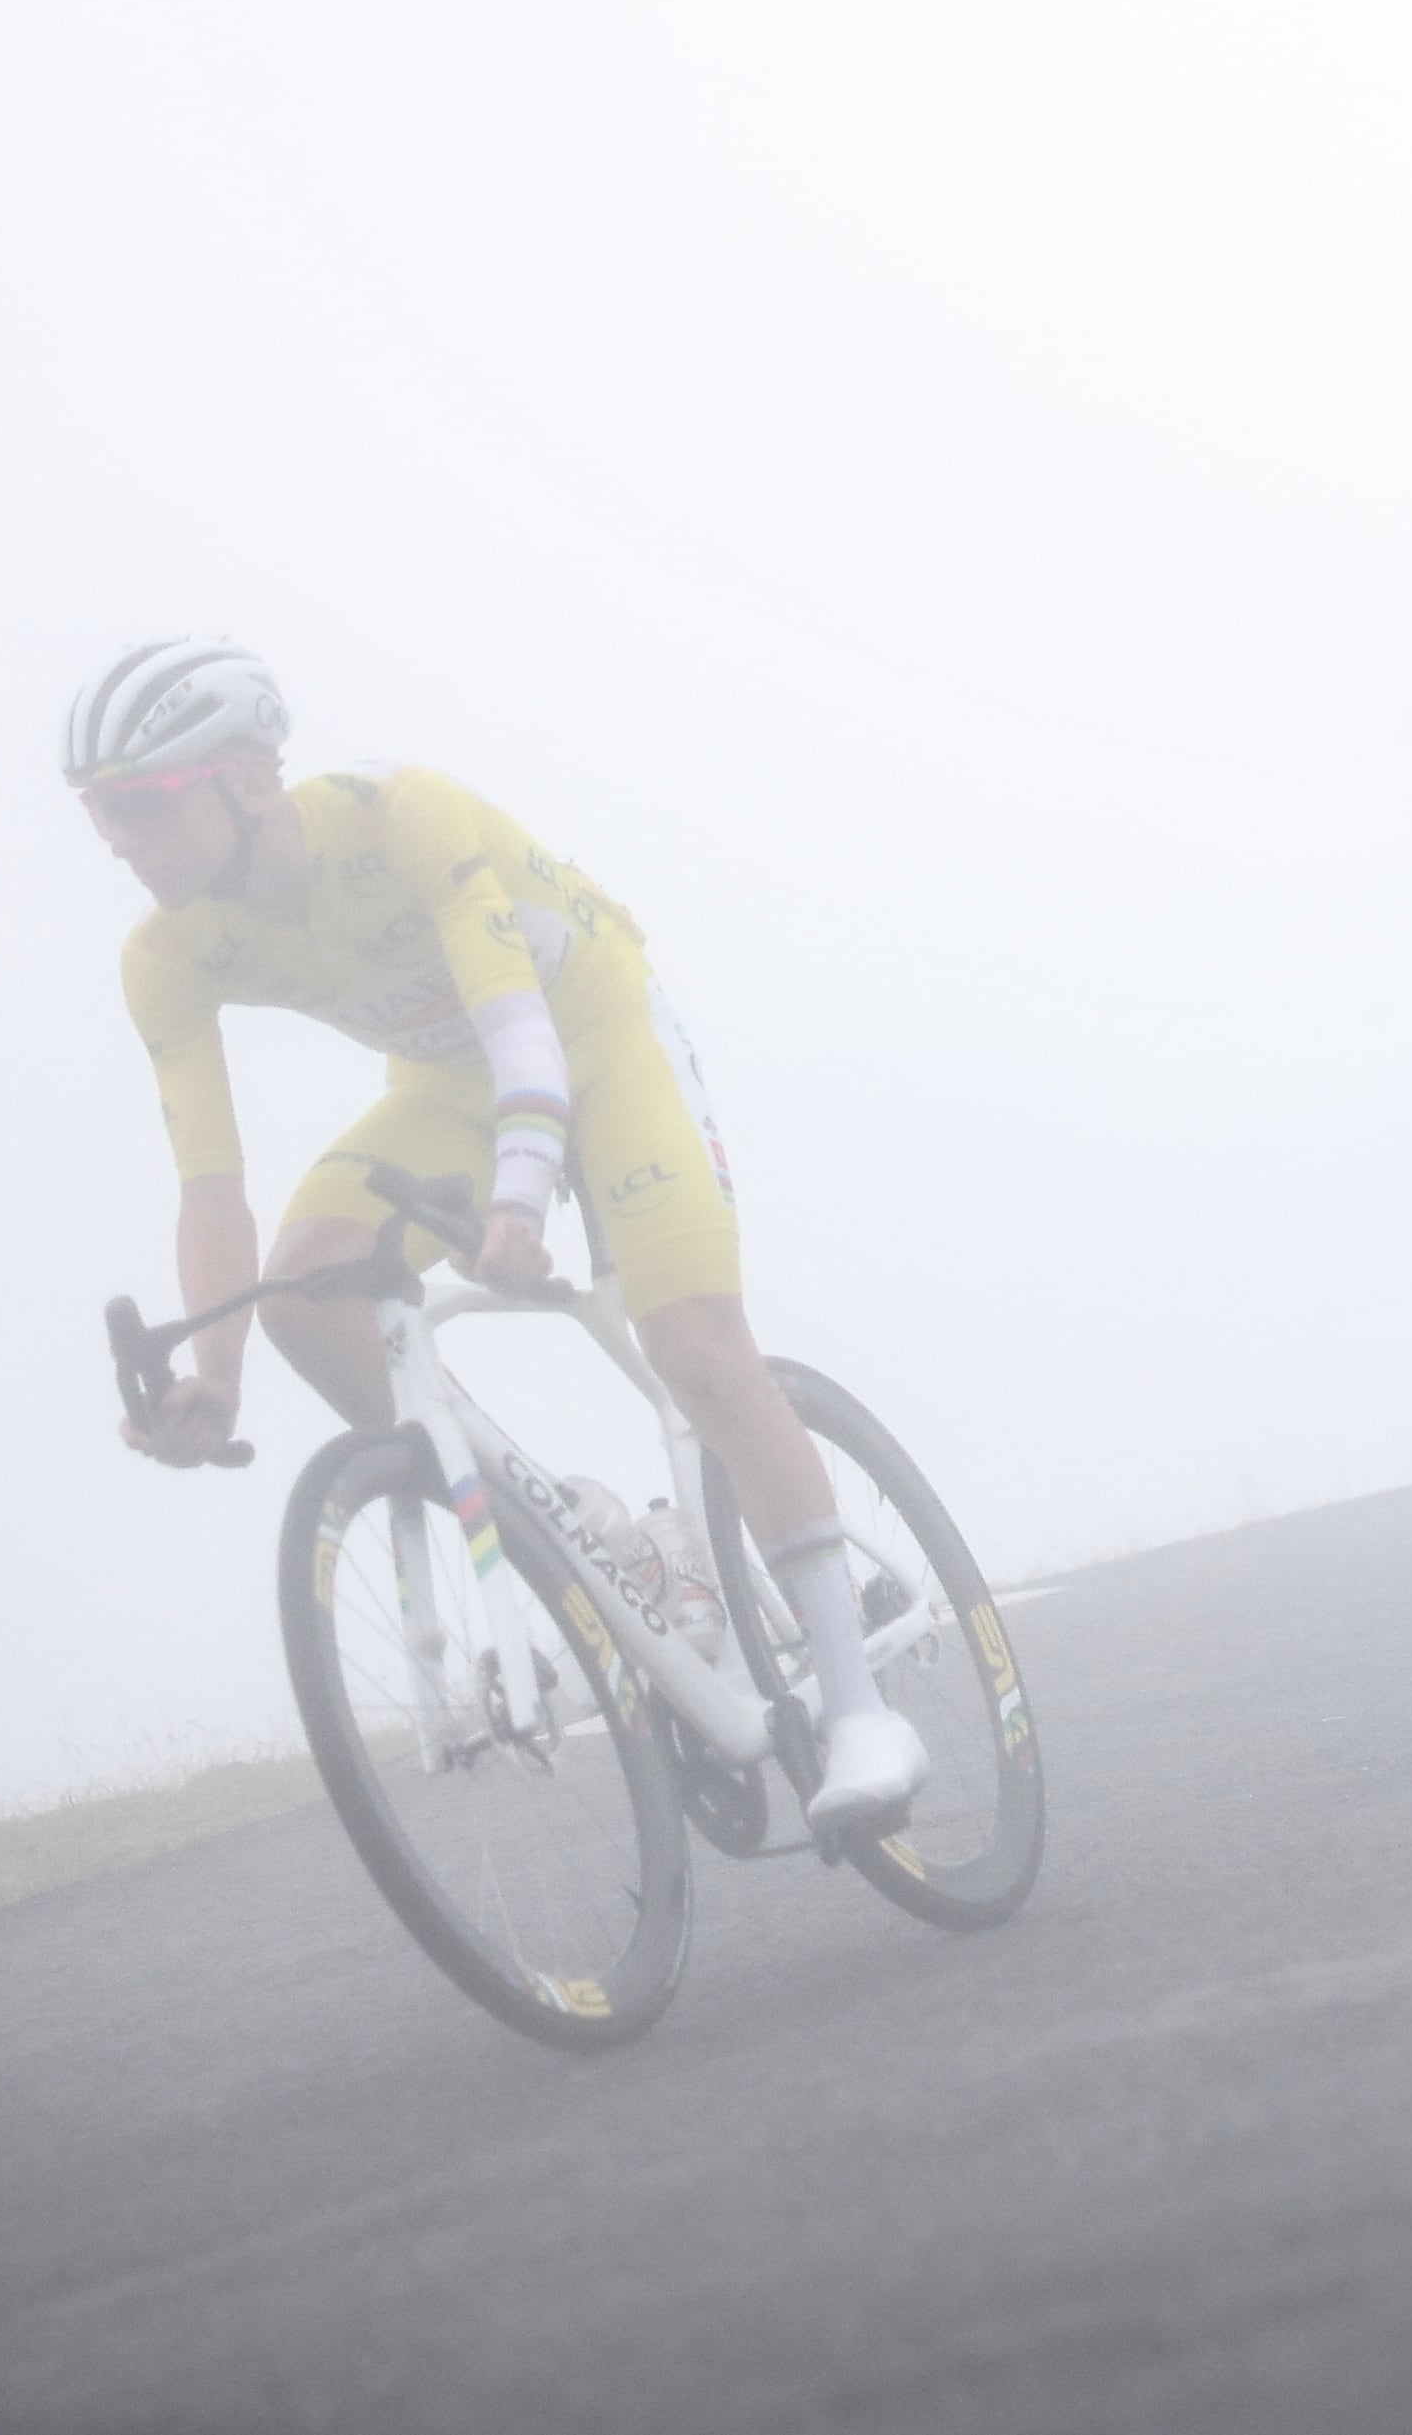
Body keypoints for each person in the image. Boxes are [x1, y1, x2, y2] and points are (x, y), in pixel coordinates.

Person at [69, 635, 926, 1841]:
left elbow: (520, 1021)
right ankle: (570, 1530)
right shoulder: (165, 956)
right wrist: (217, 1374)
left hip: (597, 1035)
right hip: (449, 1086)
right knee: (300, 1295)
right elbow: (211, 1186)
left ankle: (857, 1708)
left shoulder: (401, 815)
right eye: (97, 809)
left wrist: (520, 1199)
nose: (117, 837)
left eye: (142, 802)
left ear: (249, 777)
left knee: (694, 1347)